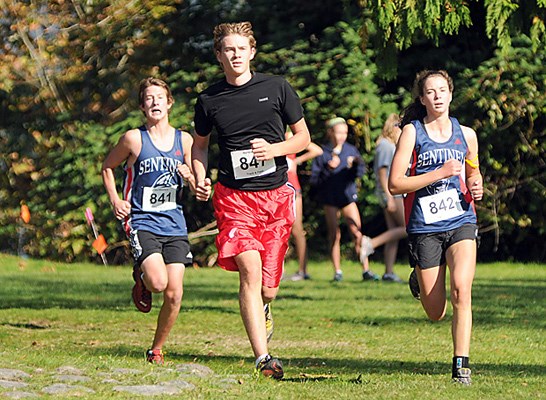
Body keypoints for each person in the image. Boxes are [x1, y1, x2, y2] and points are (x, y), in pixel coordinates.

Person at [191, 21, 311, 379]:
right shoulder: (209, 99)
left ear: (252, 52)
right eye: (228, 49)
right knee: (248, 270)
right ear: (219, 55)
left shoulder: (277, 88)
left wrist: (274, 150)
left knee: (268, 287)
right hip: (234, 199)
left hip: (275, 198)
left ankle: (266, 306)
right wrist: (201, 177)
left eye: (241, 49)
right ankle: (263, 357)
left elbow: (303, 137)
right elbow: (200, 145)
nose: (235, 55)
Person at [388, 70, 483, 385]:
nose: (438, 96)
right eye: (431, 92)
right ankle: (420, 274)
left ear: (451, 94)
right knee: (435, 311)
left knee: (461, 289)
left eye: (443, 90)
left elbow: (473, 171)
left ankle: (461, 365)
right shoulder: (412, 133)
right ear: (422, 98)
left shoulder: (466, 134)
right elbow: (395, 183)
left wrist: (476, 184)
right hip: (425, 226)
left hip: (461, 219)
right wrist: (439, 173)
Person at [102, 77, 196, 365]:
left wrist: (192, 178)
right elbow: (107, 167)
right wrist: (116, 200)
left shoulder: (185, 140)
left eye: (160, 97)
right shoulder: (134, 138)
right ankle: (142, 279)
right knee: (158, 283)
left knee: (174, 293)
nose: (155, 102)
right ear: (143, 106)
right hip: (142, 221)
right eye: (149, 98)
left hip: (175, 224)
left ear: (169, 103)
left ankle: (156, 348)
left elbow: (194, 180)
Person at [310, 117, 379, 282]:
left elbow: (360, 173)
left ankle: (366, 270)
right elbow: (314, 181)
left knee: (357, 232)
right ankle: (338, 271)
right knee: (334, 235)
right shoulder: (322, 152)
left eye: (345, 132)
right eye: (339, 132)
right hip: (330, 198)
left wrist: (355, 165)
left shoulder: (351, 151)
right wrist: (328, 168)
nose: (342, 136)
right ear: (330, 132)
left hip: (348, 197)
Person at [359, 113, 407, 282]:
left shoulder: (387, 145)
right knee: (406, 227)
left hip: (391, 194)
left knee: (393, 232)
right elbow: (382, 172)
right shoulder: (386, 146)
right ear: (394, 128)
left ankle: (388, 271)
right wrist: (390, 197)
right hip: (393, 193)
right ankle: (371, 243)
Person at [284, 130, 323, 281]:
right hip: (277, 186)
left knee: (297, 228)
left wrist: (296, 161)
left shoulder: (289, 136)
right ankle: (278, 270)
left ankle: (302, 270)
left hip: (292, 187)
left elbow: (316, 150)